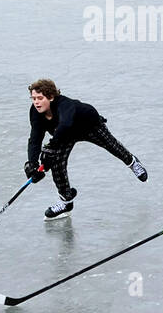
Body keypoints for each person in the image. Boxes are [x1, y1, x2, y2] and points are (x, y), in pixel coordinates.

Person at [24, 78, 148, 218]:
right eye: (33, 98)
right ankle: (66, 201)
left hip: (88, 125)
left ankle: (132, 162)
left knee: (112, 146)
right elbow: (35, 138)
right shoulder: (35, 112)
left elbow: (65, 124)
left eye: (40, 98)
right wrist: (32, 164)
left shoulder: (64, 104)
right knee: (56, 164)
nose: (36, 102)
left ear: (51, 97)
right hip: (65, 135)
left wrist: (51, 148)